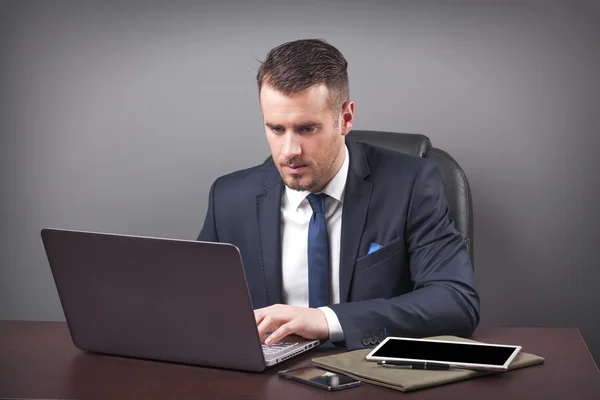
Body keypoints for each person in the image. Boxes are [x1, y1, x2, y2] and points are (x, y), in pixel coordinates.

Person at [198, 39, 480, 350]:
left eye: (307, 129)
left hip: (371, 377)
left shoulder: (411, 184)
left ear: (345, 119)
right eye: (276, 129)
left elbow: (456, 302)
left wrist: (328, 320)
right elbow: (193, 304)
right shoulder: (229, 198)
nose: (289, 151)